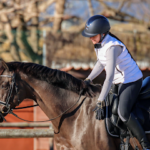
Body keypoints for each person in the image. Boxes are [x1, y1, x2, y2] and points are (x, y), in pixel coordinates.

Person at [82, 15, 150, 150]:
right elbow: (101, 63)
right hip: (118, 81)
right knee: (112, 109)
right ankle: (124, 140)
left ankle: (145, 144)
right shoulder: (99, 45)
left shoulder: (112, 47)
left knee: (122, 112)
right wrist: (88, 79)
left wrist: (100, 100)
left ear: (103, 34)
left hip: (131, 81)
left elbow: (109, 76)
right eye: (89, 35)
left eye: (93, 35)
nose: (91, 38)